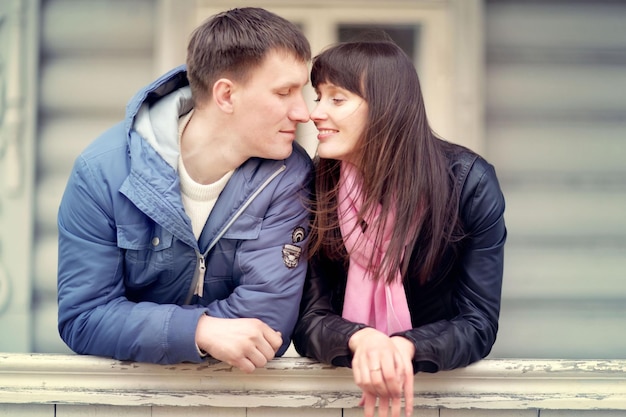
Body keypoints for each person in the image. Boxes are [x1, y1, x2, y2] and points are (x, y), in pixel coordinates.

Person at [57, 7, 313, 373]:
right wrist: (199, 330)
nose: (303, 112)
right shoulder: (102, 173)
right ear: (226, 95)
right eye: (284, 92)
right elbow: (83, 318)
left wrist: (138, 326)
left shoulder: (290, 175)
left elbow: (265, 324)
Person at [292, 38, 506, 417]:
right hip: (337, 393)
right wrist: (361, 338)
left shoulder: (468, 184)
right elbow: (309, 318)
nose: (314, 113)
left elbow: (478, 322)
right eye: (318, 96)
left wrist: (405, 347)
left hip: (435, 396)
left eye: (336, 99)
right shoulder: (317, 183)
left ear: (386, 108)